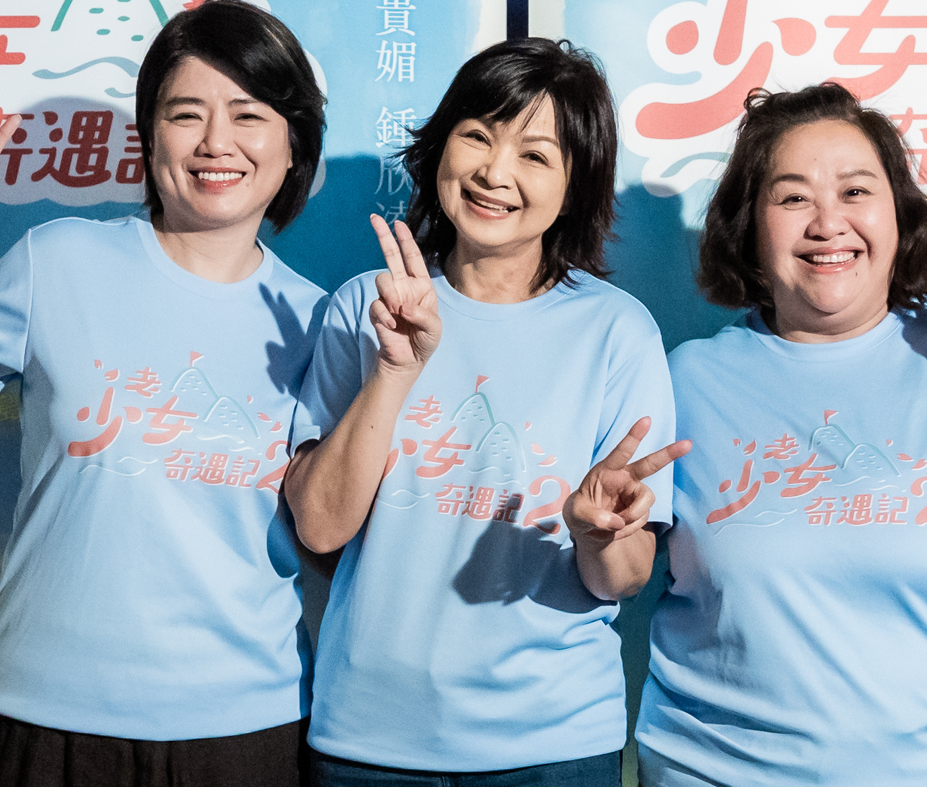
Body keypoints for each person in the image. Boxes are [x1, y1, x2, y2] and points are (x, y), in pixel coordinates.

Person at [0, 0, 328, 786]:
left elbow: (330, 526)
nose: (215, 141)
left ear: (294, 144)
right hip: (42, 715)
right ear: (149, 135)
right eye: (185, 113)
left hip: (243, 729)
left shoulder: (320, 321)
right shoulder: (56, 261)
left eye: (248, 114)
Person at [636, 83, 927, 786]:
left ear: (900, 216)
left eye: (856, 191)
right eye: (792, 197)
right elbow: (614, 566)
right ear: (749, 226)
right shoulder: (686, 380)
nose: (828, 222)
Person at [283, 38, 688, 786]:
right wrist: (394, 371)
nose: (495, 173)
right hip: (369, 740)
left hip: (552, 746)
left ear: (576, 183)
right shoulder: (365, 305)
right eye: (477, 136)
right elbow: (320, 527)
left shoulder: (617, 331)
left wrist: (597, 532)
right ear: (440, 146)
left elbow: (625, 576)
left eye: (535, 155)